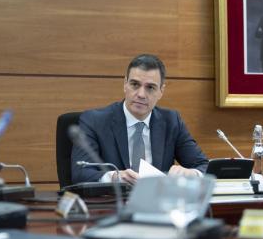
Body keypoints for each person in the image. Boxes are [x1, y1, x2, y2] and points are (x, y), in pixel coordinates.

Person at [71, 54, 208, 185]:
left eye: (150, 87)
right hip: (112, 204)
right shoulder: (94, 121)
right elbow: (80, 173)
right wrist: (114, 177)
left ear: (161, 91)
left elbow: (204, 166)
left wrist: (192, 174)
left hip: (157, 204)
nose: (141, 94)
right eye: (135, 85)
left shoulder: (171, 121)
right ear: (125, 84)